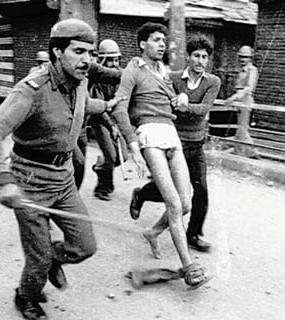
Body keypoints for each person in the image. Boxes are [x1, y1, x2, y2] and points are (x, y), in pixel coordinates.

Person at [0, 18, 123, 320]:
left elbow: (79, 107)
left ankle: (52, 260)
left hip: (64, 179)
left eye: (91, 53)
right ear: (57, 51)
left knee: (85, 246)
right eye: (79, 51)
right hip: (29, 184)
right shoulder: (31, 90)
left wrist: (105, 106)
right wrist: (2, 181)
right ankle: (26, 296)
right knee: (38, 258)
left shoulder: (79, 81)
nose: (87, 60)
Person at [112, 22, 210, 288]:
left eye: (164, 40)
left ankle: (152, 232)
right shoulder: (133, 69)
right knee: (175, 205)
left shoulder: (163, 70)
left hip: (170, 132)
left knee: (186, 202)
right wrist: (132, 144)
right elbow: (120, 108)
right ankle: (189, 267)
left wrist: (179, 99)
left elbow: (170, 101)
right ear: (143, 44)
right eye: (156, 40)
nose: (162, 44)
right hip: (149, 134)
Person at [129, 36, 220, 253]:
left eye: (204, 57)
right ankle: (141, 195)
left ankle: (194, 234)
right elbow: (161, 98)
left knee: (201, 190)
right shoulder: (173, 77)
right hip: (174, 142)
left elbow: (204, 109)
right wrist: (173, 101)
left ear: (208, 61)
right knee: (169, 190)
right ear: (188, 57)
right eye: (196, 55)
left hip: (196, 144)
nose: (200, 61)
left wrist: (184, 104)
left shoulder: (212, 82)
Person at [89, 39, 126, 201]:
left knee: (123, 155)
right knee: (111, 156)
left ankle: (100, 166)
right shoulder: (97, 80)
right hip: (100, 120)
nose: (114, 64)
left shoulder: (119, 77)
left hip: (115, 120)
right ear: (102, 60)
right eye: (110, 60)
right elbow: (100, 109)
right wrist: (112, 127)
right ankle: (103, 188)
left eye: (116, 59)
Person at [225, 45, 260, 158]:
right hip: (239, 100)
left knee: (242, 128)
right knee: (240, 127)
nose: (242, 60)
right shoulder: (241, 71)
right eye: (241, 57)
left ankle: (244, 152)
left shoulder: (252, 70)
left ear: (250, 58)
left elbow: (248, 88)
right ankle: (250, 152)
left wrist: (234, 97)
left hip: (245, 100)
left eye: (245, 57)